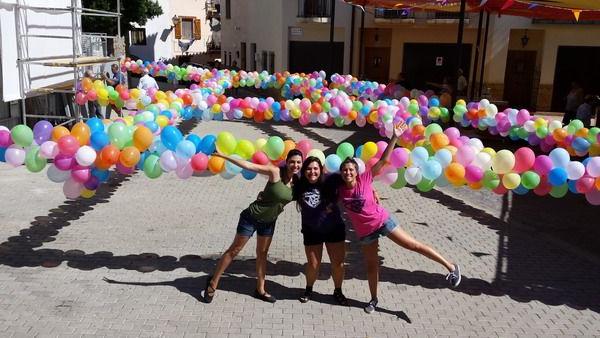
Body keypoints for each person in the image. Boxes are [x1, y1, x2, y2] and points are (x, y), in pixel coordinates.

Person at [335, 120, 461, 314]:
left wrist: (395, 136)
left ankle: (451, 266)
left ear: (356, 171)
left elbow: (384, 160)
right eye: (345, 170)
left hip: (383, 221)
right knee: (371, 266)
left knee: (413, 245)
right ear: (341, 173)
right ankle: (374, 300)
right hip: (365, 232)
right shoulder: (340, 190)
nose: (348, 172)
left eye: (351, 169)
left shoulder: (365, 178)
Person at [203, 149, 303, 304]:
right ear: (287, 161)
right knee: (234, 250)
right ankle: (213, 282)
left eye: (298, 162)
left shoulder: (297, 183)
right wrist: (223, 155)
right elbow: (249, 166)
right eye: (292, 161)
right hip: (251, 218)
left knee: (262, 254)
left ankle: (260, 289)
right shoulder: (275, 172)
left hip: (269, 223)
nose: (295, 165)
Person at [292, 156, 348, 305]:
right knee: (313, 265)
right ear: (304, 171)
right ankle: (309, 289)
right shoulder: (299, 185)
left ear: (321, 169)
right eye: (309, 169)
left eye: (315, 168)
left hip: (334, 229)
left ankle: (338, 290)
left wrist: (372, 191)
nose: (312, 172)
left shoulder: (331, 180)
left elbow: (353, 180)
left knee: (338, 263)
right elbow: (281, 189)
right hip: (311, 231)